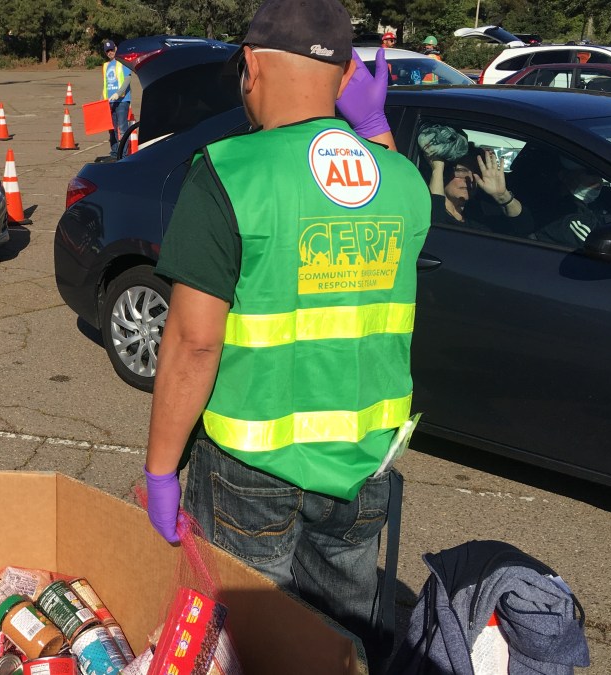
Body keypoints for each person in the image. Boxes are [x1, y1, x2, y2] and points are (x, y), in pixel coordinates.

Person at [142, 0, 430, 665]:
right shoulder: (404, 182)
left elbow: (193, 342)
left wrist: (161, 469)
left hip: (250, 467)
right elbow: (364, 210)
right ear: (347, 78)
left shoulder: (228, 173)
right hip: (361, 467)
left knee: (245, 643)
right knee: (340, 641)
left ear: (251, 66)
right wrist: (374, 123)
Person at [426, 145, 532, 234]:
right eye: (461, 171)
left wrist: (502, 196)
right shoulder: (424, 206)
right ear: (444, 174)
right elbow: (434, 228)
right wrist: (437, 168)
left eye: (477, 173)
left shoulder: (479, 212)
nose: (470, 179)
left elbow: (524, 228)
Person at [530, 157, 605, 246]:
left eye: (600, 175)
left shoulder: (585, 205)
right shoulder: (561, 214)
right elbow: (599, 243)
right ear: (564, 176)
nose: (599, 181)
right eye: (591, 173)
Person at [100, 39, 133, 156]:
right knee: (111, 128)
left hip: (122, 100)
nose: (110, 52)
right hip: (109, 101)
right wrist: (101, 100)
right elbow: (105, 85)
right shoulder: (105, 66)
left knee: (123, 128)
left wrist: (118, 93)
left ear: (116, 48)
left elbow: (128, 79)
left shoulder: (123, 62)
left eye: (111, 49)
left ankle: (122, 154)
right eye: (107, 51)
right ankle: (114, 152)